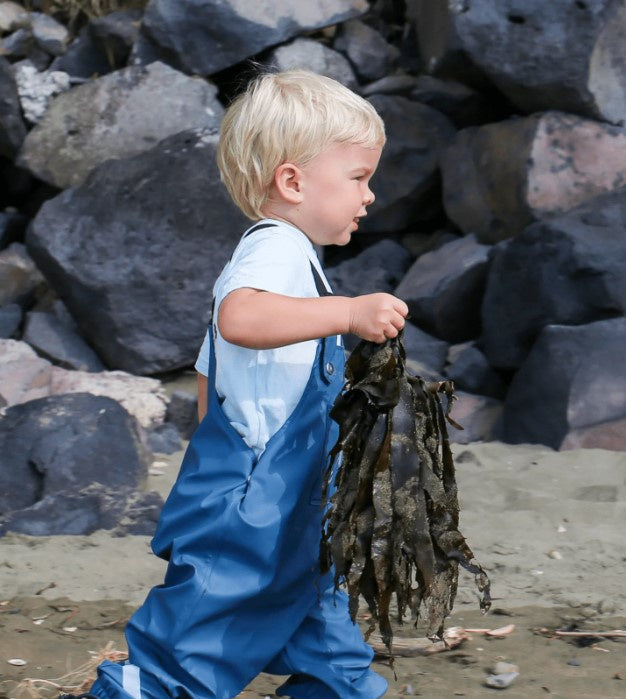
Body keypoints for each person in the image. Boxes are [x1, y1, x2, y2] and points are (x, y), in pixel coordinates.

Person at [75, 69, 408, 699]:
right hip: (253, 508)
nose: (370, 195)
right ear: (292, 180)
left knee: (334, 661)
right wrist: (350, 314)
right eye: (359, 177)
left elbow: (211, 367)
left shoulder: (295, 262)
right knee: (190, 650)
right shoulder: (275, 249)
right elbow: (241, 319)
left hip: (295, 507)